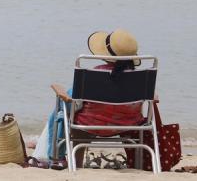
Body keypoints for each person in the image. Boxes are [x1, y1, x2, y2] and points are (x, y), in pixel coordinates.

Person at [29, 29, 146, 169]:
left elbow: (73, 100)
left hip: (89, 126)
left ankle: (57, 156)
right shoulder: (139, 79)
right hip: (129, 125)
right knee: (68, 105)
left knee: (63, 107)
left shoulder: (95, 74)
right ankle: (140, 164)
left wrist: (65, 96)